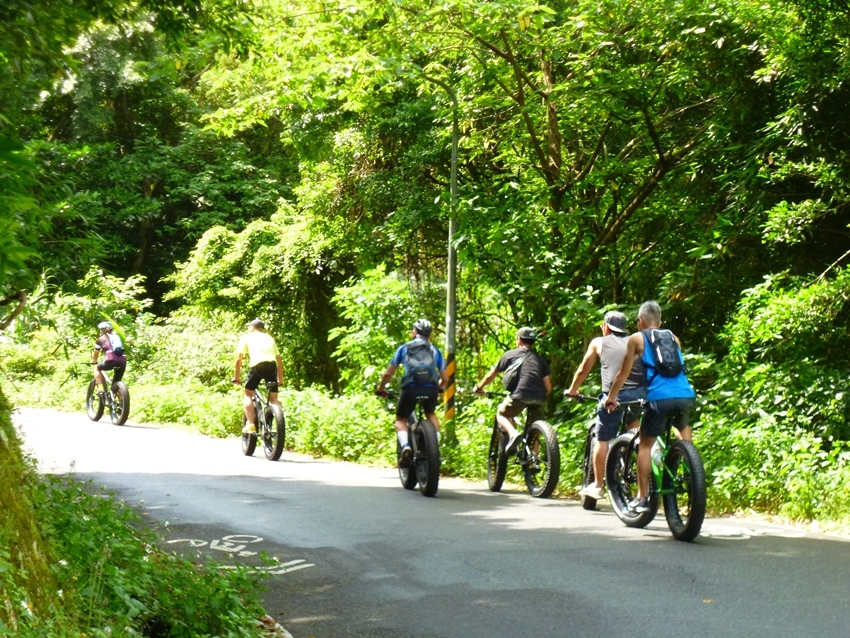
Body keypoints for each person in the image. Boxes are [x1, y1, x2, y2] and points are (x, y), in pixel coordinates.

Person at [605, 300, 695, 513]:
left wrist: (612, 397)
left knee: (645, 445)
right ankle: (691, 472)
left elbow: (623, 372)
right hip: (685, 395)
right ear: (660, 322)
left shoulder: (637, 338)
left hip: (659, 398)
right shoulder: (674, 337)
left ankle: (642, 497)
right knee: (682, 428)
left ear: (639, 321)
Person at [565, 311, 645, 502]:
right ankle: (629, 461)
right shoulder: (634, 341)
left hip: (614, 397)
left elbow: (584, 368)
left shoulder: (599, 342)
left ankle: (598, 486)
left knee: (602, 438)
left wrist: (573, 389)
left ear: (606, 326)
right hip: (638, 395)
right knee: (634, 430)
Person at [375, 319, 448, 467]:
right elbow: (445, 378)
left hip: (411, 388)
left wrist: (381, 388)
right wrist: (440, 388)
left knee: (401, 419)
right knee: (431, 414)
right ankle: (434, 448)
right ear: (430, 335)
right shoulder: (435, 351)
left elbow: (388, 374)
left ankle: (406, 446)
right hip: (430, 388)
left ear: (414, 333)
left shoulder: (404, 348)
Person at [473, 327, 552, 456]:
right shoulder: (540, 360)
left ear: (519, 340)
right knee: (535, 430)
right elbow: (548, 387)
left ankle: (513, 434)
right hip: (539, 397)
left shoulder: (510, 355)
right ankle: (534, 459)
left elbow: (491, 375)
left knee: (502, 414)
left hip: (519, 394)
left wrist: (479, 387)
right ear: (532, 342)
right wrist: (537, 397)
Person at [233, 319, 284, 434]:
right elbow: (279, 361)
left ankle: (251, 423)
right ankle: (279, 418)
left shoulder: (247, 337)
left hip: (257, 366)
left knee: (248, 394)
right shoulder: (269, 338)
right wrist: (280, 379)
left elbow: (238, 359)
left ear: (252, 327)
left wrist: (236, 377)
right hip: (271, 366)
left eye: (249, 326)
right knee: (274, 399)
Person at [92, 321, 127, 390]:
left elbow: (96, 352)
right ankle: (122, 399)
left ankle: (101, 389)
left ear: (103, 330)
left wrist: (94, 361)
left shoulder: (100, 339)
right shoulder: (117, 337)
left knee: (97, 368)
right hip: (123, 361)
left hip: (110, 361)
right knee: (116, 384)